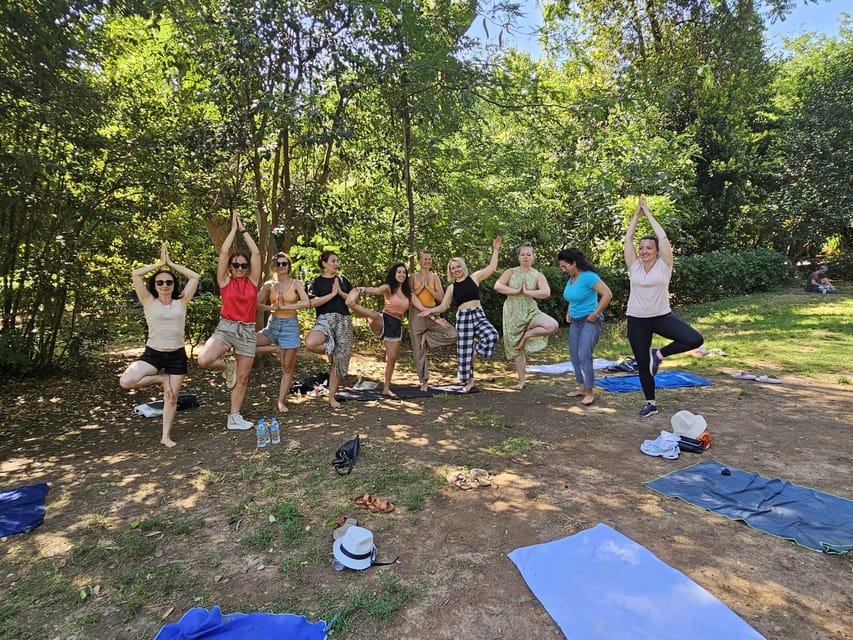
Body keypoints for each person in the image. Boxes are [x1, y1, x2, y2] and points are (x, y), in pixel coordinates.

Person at [624, 196, 704, 417]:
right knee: (642, 363)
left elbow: (662, 236)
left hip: (661, 316)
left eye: (648, 248)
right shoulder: (634, 266)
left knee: (694, 339)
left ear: (657, 250)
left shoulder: (665, 264)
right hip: (637, 319)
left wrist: (648, 213)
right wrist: (635, 216)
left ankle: (658, 354)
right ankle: (651, 403)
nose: (643, 251)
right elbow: (628, 240)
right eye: (642, 248)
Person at [120, 243, 201, 447]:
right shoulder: (148, 300)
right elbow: (136, 274)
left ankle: (165, 436)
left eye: (168, 281)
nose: (164, 285)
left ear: (174, 284)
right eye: (159, 282)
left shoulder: (181, 301)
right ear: (154, 286)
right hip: (153, 354)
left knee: (171, 398)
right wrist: (159, 264)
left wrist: (171, 264)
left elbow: (195, 277)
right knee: (126, 381)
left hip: (177, 355)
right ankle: (161, 379)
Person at [197, 212, 262, 430]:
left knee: (242, 378)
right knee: (204, 360)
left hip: (247, 330)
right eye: (236, 265)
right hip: (226, 327)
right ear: (231, 268)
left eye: (244, 265)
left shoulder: (253, 282)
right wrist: (232, 230)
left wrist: (243, 228)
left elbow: (255, 252)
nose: (240, 268)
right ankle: (228, 367)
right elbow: (224, 252)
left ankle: (234, 417)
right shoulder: (224, 281)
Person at [421, 237, 502, 393]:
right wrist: (430, 310)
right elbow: (444, 306)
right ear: (450, 271)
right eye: (453, 268)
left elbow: (492, 267)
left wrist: (496, 249)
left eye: (458, 266)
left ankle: (476, 352)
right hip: (463, 318)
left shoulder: (474, 278)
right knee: (464, 353)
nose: (456, 269)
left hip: (478, 315)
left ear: (462, 267)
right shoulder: (452, 288)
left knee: (492, 335)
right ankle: (469, 382)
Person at [346, 263, 430, 397]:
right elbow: (375, 290)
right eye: (399, 272)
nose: (402, 275)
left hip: (395, 326)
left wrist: (436, 317)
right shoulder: (388, 288)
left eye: (404, 272)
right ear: (394, 274)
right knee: (373, 314)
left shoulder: (409, 293)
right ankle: (352, 305)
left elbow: (421, 307)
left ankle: (386, 388)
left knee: (391, 359)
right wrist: (362, 289)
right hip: (383, 319)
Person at [494, 243, 559, 390]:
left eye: (529, 254)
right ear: (518, 257)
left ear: (533, 257)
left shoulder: (537, 275)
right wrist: (516, 290)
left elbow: (546, 292)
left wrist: (527, 292)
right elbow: (498, 286)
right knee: (517, 348)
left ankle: (528, 335)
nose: (525, 256)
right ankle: (522, 380)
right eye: (523, 254)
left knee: (552, 325)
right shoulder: (510, 271)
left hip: (530, 310)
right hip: (512, 311)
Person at [255, 252, 310, 413]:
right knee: (246, 343)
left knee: (287, 367)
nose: (281, 266)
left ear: (289, 266)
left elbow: (306, 302)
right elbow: (256, 303)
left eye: (284, 263)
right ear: (273, 266)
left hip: (290, 326)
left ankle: (281, 401)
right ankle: (275, 349)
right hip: (273, 324)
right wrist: (272, 308)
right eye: (278, 264)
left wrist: (285, 307)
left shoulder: (296, 283)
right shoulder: (269, 285)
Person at [557, 248, 613, 405]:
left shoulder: (589, 277)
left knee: (584, 354)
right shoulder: (571, 278)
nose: (563, 270)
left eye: (564, 266)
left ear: (573, 263)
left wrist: (595, 313)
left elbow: (607, 294)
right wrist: (569, 310)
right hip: (576, 321)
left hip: (590, 320)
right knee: (574, 355)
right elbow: (573, 297)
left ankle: (589, 391)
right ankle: (581, 387)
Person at [304, 250, 354, 409]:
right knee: (311, 343)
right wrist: (332, 294)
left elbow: (354, 301)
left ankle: (332, 397)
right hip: (325, 319)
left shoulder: (343, 280)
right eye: (333, 261)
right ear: (324, 263)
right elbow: (311, 303)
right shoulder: (316, 282)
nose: (336, 263)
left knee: (339, 362)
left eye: (337, 261)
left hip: (344, 321)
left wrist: (340, 293)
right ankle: (331, 349)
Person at [408, 250, 458, 392]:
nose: (427, 261)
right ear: (418, 261)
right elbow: (409, 297)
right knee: (418, 351)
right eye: (425, 259)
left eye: (429, 259)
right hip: (417, 314)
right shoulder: (412, 277)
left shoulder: (434, 277)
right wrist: (421, 288)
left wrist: (429, 288)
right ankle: (424, 381)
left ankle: (427, 337)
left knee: (452, 333)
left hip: (432, 311)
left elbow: (441, 298)